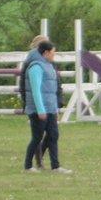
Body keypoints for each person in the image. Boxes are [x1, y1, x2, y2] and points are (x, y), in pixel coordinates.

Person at [23, 40, 71, 174]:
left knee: (53, 136)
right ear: (46, 53)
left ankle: (56, 166)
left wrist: (55, 108)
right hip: (39, 110)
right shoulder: (36, 67)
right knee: (37, 137)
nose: (54, 55)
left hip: (50, 109)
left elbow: (52, 90)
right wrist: (40, 109)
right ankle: (28, 165)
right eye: (52, 53)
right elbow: (36, 90)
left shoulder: (49, 66)